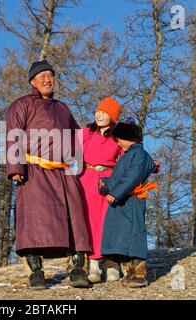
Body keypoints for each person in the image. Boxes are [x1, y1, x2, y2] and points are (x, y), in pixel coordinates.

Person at [5, 60, 91, 289]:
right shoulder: (21, 105)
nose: (47, 79)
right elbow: (13, 135)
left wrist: (80, 163)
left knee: (75, 219)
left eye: (50, 75)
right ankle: (36, 273)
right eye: (41, 75)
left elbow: (76, 137)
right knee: (34, 221)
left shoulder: (63, 108)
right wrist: (15, 168)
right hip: (34, 171)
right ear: (32, 80)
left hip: (64, 172)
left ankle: (77, 269)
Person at [98, 117, 158, 288]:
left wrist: (115, 193)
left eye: (119, 140)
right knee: (119, 235)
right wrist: (105, 186)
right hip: (121, 201)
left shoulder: (140, 155)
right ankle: (126, 270)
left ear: (129, 138)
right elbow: (118, 177)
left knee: (133, 234)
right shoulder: (127, 156)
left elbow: (133, 176)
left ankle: (139, 274)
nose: (118, 144)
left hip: (131, 200)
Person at [78, 97, 124, 283]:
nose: (99, 114)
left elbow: (132, 153)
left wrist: (149, 163)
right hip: (87, 178)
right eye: (98, 111)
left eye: (104, 112)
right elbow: (64, 145)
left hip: (109, 180)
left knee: (108, 221)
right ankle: (93, 263)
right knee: (89, 220)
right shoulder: (86, 133)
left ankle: (112, 262)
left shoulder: (118, 137)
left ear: (112, 117)